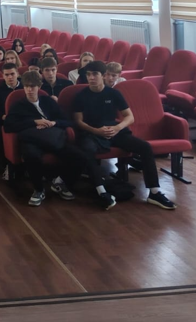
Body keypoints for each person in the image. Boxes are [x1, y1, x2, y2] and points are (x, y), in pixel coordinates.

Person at [73, 61, 176, 210]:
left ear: (103, 75)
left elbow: (129, 117)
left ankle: (154, 192)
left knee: (145, 147)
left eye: (95, 74)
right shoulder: (81, 95)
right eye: (88, 75)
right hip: (92, 133)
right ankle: (101, 192)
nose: (91, 78)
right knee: (87, 149)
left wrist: (117, 128)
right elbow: (78, 121)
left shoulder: (113, 93)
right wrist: (96, 131)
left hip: (115, 131)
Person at [4, 71, 114, 209]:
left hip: (53, 138)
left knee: (81, 157)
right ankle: (38, 190)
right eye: (26, 86)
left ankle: (61, 182)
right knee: (31, 155)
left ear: (39, 86)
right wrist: (34, 122)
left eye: (32, 86)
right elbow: (8, 126)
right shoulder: (18, 105)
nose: (29, 90)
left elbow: (67, 121)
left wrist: (54, 123)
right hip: (32, 139)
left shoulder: (48, 101)